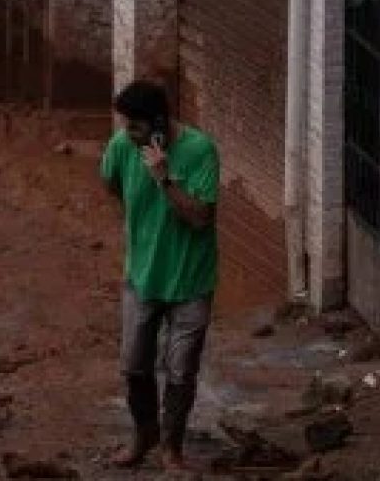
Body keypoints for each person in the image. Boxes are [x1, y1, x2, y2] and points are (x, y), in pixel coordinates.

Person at [100, 79, 219, 472]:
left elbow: (201, 218)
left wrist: (165, 179)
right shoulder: (122, 147)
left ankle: (172, 446)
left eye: (134, 127)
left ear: (157, 123)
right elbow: (111, 184)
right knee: (135, 365)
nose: (126, 134)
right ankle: (144, 433)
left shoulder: (200, 151)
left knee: (181, 370)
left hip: (190, 281)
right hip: (142, 277)